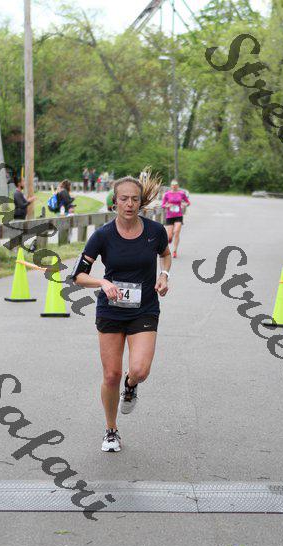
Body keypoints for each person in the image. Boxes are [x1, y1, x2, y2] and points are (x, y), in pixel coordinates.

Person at [71, 173, 171, 452]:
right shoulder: (102, 235)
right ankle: (111, 430)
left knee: (139, 370)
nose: (129, 204)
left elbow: (165, 255)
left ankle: (132, 384)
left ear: (141, 202)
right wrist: (102, 282)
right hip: (111, 310)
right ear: (114, 202)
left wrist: (164, 275)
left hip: (145, 308)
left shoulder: (155, 231)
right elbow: (78, 276)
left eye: (134, 199)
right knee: (111, 375)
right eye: (124, 199)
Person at [161, 179, 190, 258]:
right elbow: (163, 205)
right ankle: (170, 239)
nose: (174, 186)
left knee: (176, 232)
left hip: (178, 215)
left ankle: (174, 251)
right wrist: (167, 205)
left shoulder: (181, 193)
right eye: (173, 185)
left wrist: (184, 205)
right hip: (169, 216)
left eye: (175, 185)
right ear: (171, 186)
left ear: (178, 186)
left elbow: (188, 202)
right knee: (169, 236)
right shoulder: (167, 194)